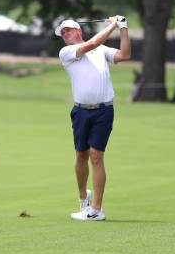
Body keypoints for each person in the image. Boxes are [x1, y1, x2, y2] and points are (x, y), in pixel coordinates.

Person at [55, 15, 131, 221]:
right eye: (62, 34)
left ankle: (96, 210)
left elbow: (124, 54)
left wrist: (123, 27)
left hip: (104, 110)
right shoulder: (67, 52)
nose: (65, 35)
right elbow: (93, 42)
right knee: (81, 155)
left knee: (96, 155)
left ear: (77, 30)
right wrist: (113, 24)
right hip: (80, 111)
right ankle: (83, 199)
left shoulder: (101, 51)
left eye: (67, 31)